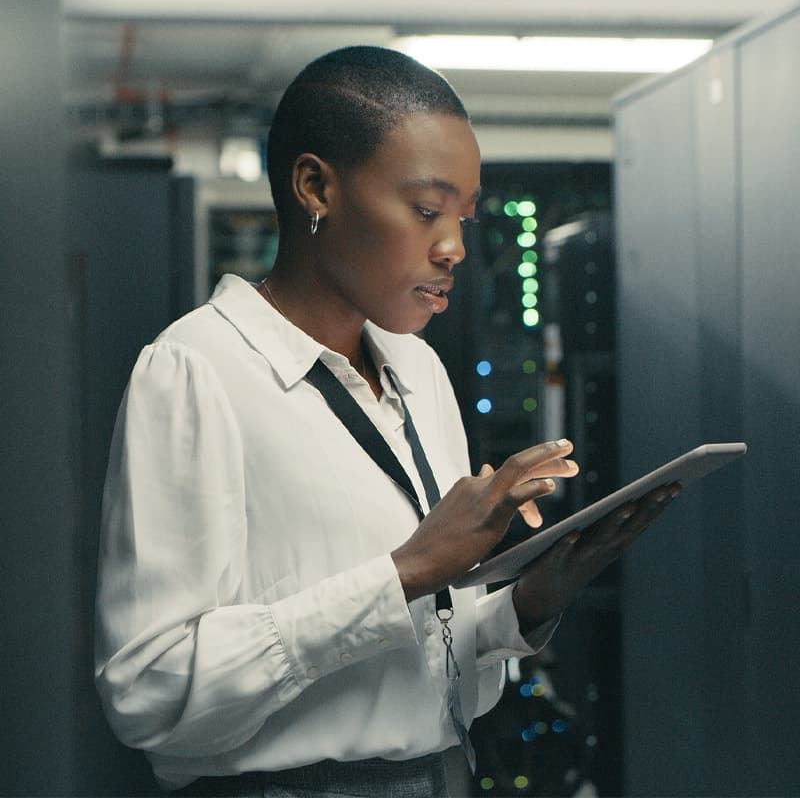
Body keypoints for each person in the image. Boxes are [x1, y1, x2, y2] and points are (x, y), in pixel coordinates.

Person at [94, 46, 679, 797]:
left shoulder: (417, 369)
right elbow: (148, 691)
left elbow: (426, 660)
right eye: (428, 211)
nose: (454, 247)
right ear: (316, 188)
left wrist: (527, 603)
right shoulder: (197, 370)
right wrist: (403, 573)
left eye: (462, 218)